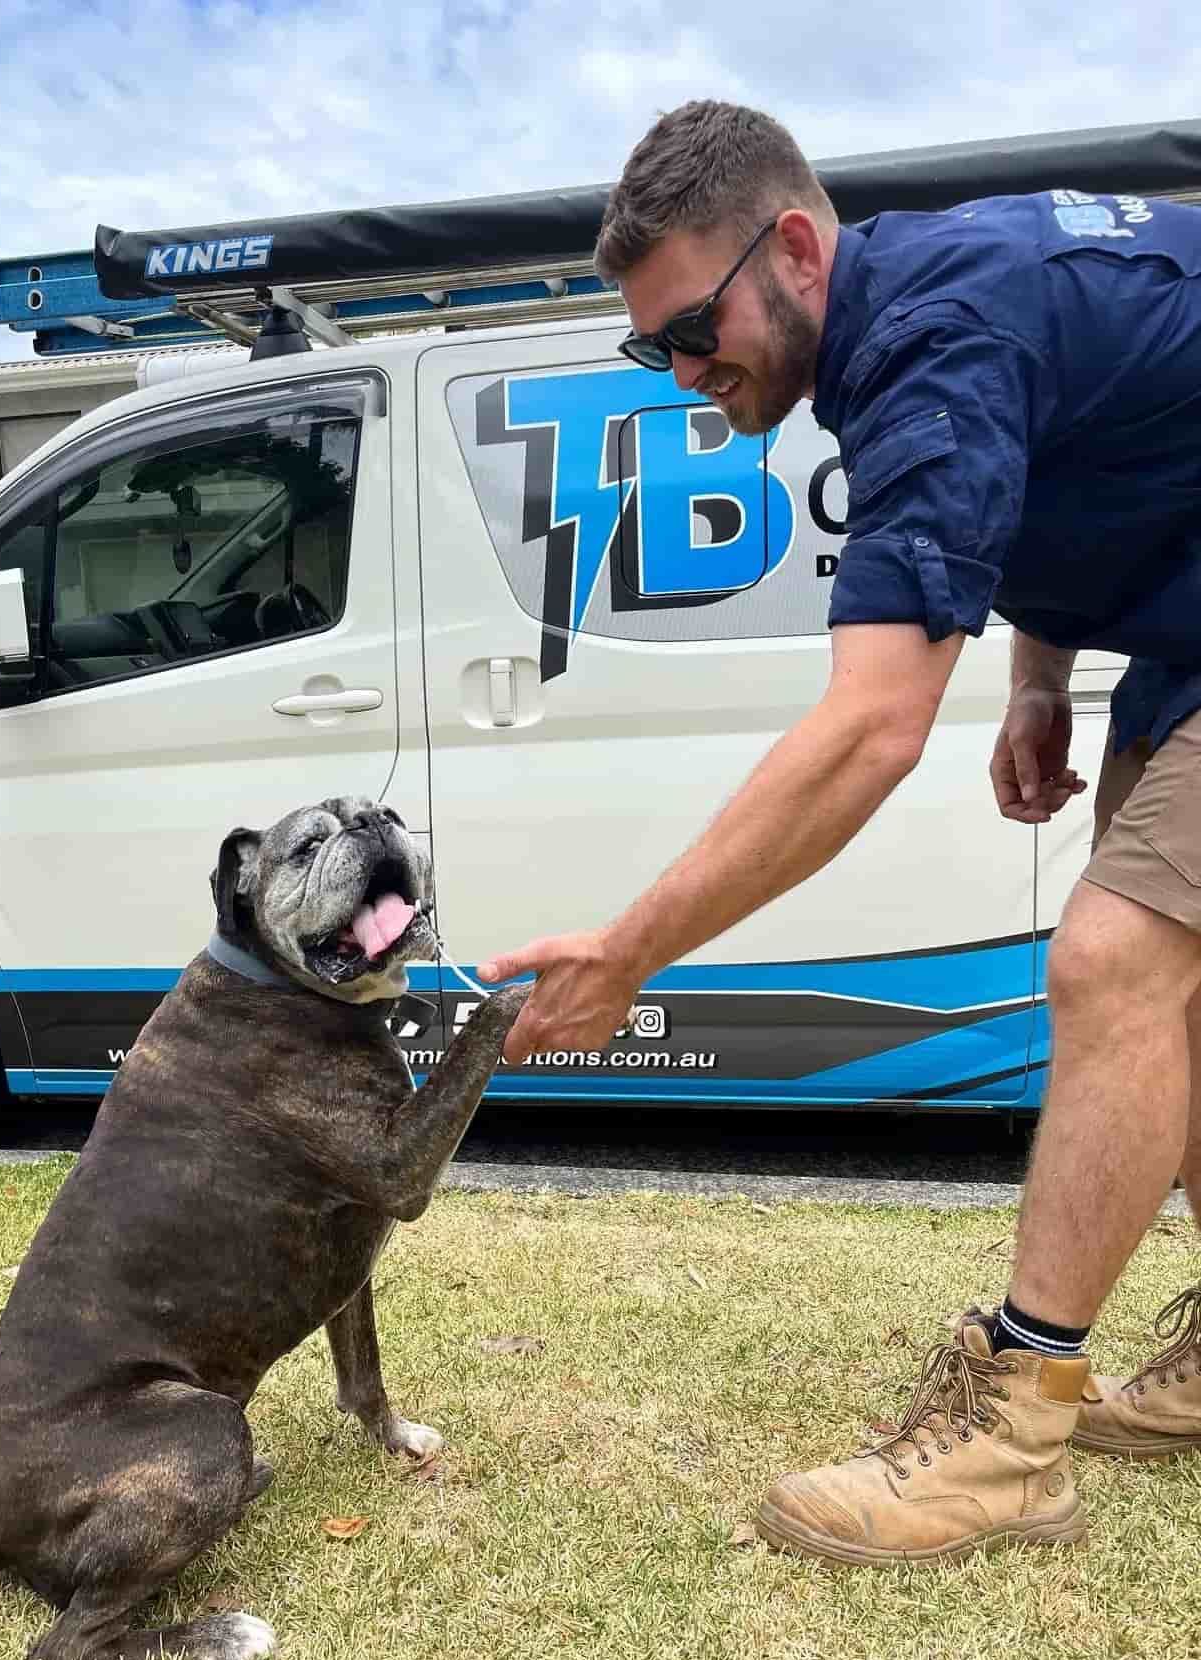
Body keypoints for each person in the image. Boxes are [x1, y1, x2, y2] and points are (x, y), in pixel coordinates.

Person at [476, 99, 1201, 1567]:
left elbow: (868, 728)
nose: (686, 373)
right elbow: (1108, 454)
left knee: (1117, 963)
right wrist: (1043, 677)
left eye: (693, 327)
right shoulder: (913, 332)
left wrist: (628, 956)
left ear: (796, 246)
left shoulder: (940, 340)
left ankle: (1015, 1434)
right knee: (1177, 989)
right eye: (652, 350)